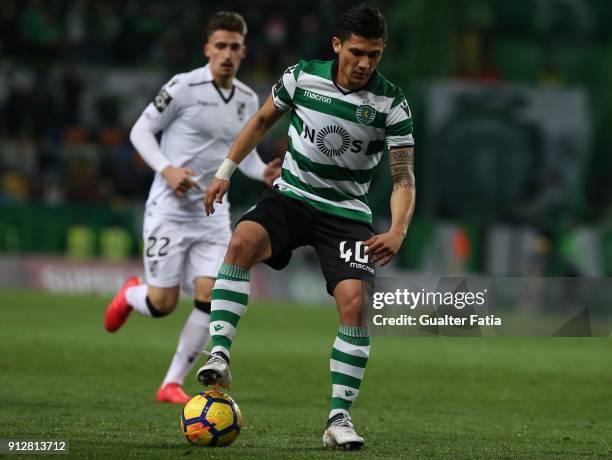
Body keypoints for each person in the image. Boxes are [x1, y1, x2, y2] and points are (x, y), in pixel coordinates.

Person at [197, 4, 415, 449]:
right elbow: (260, 121)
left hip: (347, 214)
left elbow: (404, 177)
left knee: (355, 304)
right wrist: (225, 171)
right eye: (356, 52)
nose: (364, 64)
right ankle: (219, 354)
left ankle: (339, 420)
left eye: (374, 55)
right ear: (337, 45)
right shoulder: (301, 77)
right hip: (291, 198)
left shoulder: (391, 103)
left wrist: (397, 230)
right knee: (240, 242)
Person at [104, 11, 280, 404]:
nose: (227, 54)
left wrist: (262, 172)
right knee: (161, 304)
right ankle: (133, 293)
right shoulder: (182, 87)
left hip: (213, 213)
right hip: (168, 210)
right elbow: (140, 130)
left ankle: (171, 383)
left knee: (211, 295)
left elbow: (241, 156)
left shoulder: (249, 99)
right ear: (208, 49)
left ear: (244, 51)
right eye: (220, 46)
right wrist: (166, 169)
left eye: (235, 47)